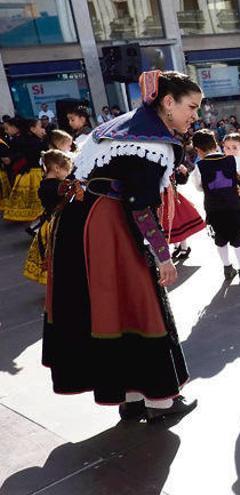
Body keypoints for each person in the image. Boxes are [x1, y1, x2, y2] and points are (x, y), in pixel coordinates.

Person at [44, 70, 201, 422]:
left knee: (109, 308)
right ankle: (159, 401)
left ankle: (129, 397)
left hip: (78, 223)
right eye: (191, 107)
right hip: (107, 226)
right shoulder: (151, 145)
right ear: (167, 102)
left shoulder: (120, 126)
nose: (195, 115)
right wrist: (163, 256)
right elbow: (139, 204)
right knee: (140, 302)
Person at [190, 128, 240, 283]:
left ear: (198, 150)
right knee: (237, 237)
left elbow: (198, 186)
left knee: (220, 238)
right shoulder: (232, 161)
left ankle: (227, 267)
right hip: (233, 206)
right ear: (216, 144)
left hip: (213, 208)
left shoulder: (199, 167)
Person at [23, 150, 71, 284]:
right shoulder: (53, 186)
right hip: (55, 225)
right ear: (56, 168)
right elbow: (60, 193)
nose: (67, 174)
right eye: (66, 170)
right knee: (57, 256)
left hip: (51, 222)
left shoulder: (47, 184)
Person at [3, 117, 46, 222]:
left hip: (25, 173)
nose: (43, 130)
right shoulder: (35, 142)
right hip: (35, 173)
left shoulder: (22, 140)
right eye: (41, 127)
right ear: (32, 129)